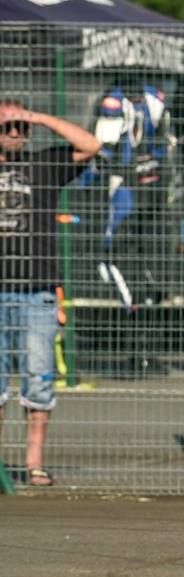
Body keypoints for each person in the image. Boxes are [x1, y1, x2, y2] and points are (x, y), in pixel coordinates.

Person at [0, 100, 102, 487]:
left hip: (37, 292)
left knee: (38, 378)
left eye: (20, 127)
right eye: (7, 126)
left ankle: (34, 463)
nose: (14, 133)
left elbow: (90, 145)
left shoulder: (44, 163)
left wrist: (38, 118)